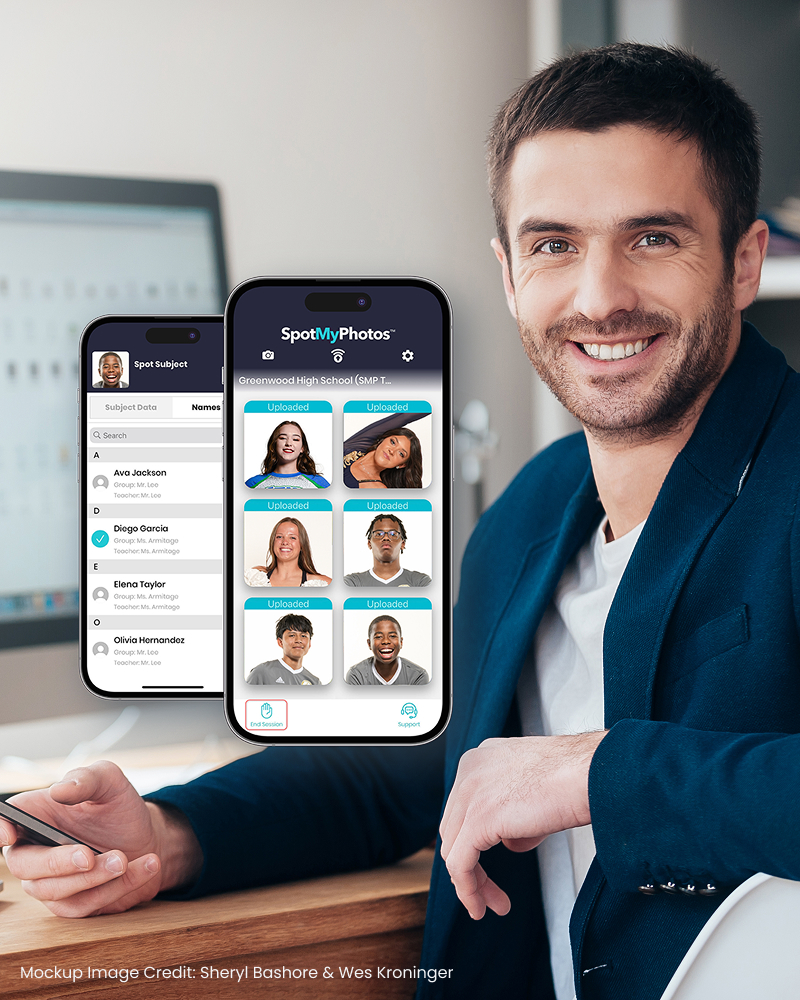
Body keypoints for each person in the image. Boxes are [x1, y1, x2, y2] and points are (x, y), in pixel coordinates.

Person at [2, 43, 797, 1000]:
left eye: (654, 238)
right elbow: (424, 764)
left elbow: (563, 774)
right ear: (507, 275)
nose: (599, 296)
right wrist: (170, 836)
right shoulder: (534, 512)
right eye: (555, 245)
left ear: (744, 261)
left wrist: (601, 772)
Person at [342, 411, 426, 488]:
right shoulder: (357, 445)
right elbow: (404, 416)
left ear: (402, 465)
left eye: (401, 453)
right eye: (393, 442)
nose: (392, 451)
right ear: (383, 439)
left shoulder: (378, 490)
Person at [343, 515, 431, 587]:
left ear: (402, 544)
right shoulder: (353, 582)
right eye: (378, 534)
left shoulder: (420, 582)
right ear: (369, 544)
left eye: (393, 534)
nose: (385, 538)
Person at [244, 517, 331, 587]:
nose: (285, 542)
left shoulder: (321, 584)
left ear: (302, 545)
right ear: (272, 542)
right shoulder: (253, 577)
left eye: (292, 537)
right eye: (279, 537)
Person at [345, 615, 429, 685]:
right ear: (369, 643)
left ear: (401, 642)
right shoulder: (356, 675)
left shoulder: (418, 676)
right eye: (378, 637)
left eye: (392, 636)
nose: (386, 641)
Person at [245, 420, 330, 489]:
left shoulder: (320, 484)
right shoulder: (252, 485)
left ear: (302, 448)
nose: (289, 443)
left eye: (295, 439)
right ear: (273, 445)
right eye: (283, 438)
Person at [246, 614, 320, 685]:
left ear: (309, 643)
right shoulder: (262, 672)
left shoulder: (315, 683)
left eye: (303, 636)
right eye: (292, 635)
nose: (298, 640)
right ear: (280, 642)